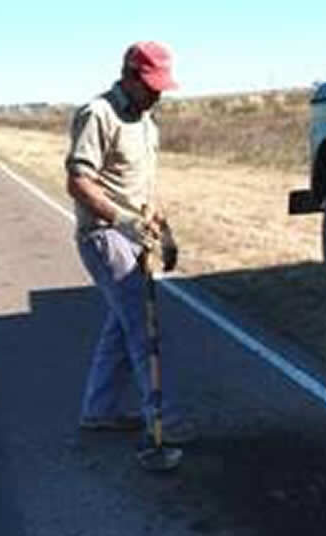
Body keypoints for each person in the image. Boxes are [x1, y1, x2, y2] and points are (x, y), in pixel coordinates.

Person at [65, 41, 193, 459]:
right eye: (151, 86)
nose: (158, 95)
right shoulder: (98, 114)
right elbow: (78, 182)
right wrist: (122, 220)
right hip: (104, 235)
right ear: (130, 76)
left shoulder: (147, 122)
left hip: (135, 235)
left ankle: (98, 410)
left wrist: (164, 231)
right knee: (143, 327)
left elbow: (143, 189)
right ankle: (164, 422)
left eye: (162, 87)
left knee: (121, 326)